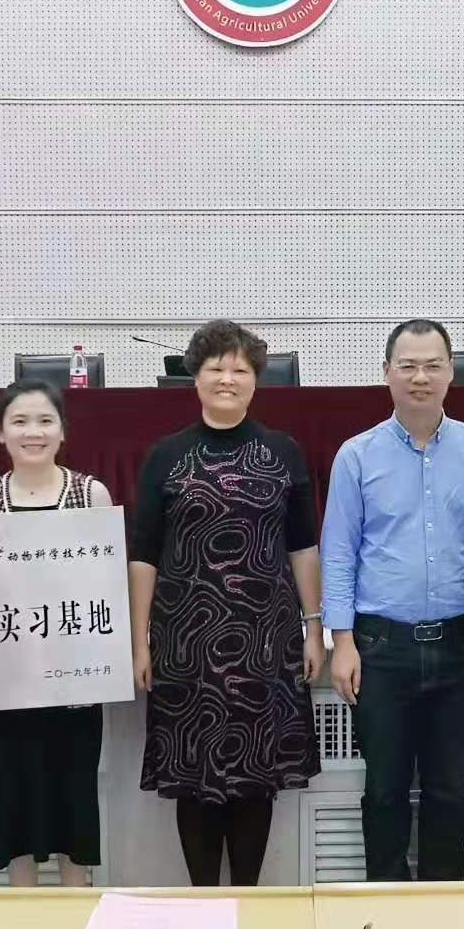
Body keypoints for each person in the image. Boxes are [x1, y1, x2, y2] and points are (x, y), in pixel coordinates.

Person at [129, 319, 324, 886]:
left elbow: (303, 546)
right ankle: (204, 906)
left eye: (240, 369)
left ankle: (247, 903)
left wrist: (314, 628)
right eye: (216, 367)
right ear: (195, 377)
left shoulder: (282, 452)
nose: (227, 378)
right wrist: (140, 640)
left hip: (266, 638)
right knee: (192, 775)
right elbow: (144, 555)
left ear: (256, 379)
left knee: (257, 775)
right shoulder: (166, 455)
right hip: (185, 640)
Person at [322, 318, 464, 882]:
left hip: (459, 644)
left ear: (451, 372)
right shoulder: (357, 455)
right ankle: (385, 907)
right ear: (387, 373)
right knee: (384, 790)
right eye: (408, 366)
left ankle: (443, 911)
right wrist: (342, 641)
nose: (420, 377)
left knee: (450, 791)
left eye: (432, 365)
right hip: (381, 647)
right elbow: (339, 552)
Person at [0, 380, 113, 886]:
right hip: (5, 679)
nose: (33, 432)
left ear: (63, 431)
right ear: (0, 433)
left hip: (72, 679)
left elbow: (105, 585)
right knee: (10, 800)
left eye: (45, 421)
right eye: (20, 422)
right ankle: (22, 904)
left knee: (72, 795)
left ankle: (75, 899)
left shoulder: (90, 494)